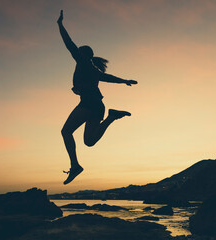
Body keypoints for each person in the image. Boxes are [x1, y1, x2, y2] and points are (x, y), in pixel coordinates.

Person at [58, 10, 137, 185]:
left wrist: (60, 25)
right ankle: (111, 117)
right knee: (89, 142)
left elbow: (69, 44)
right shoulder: (92, 68)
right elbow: (108, 77)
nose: (75, 53)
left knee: (66, 131)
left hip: (89, 103)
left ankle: (75, 166)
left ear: (83, 54)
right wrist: (124, 81)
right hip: (97, 105)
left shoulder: (84, 62)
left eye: (78, 52)